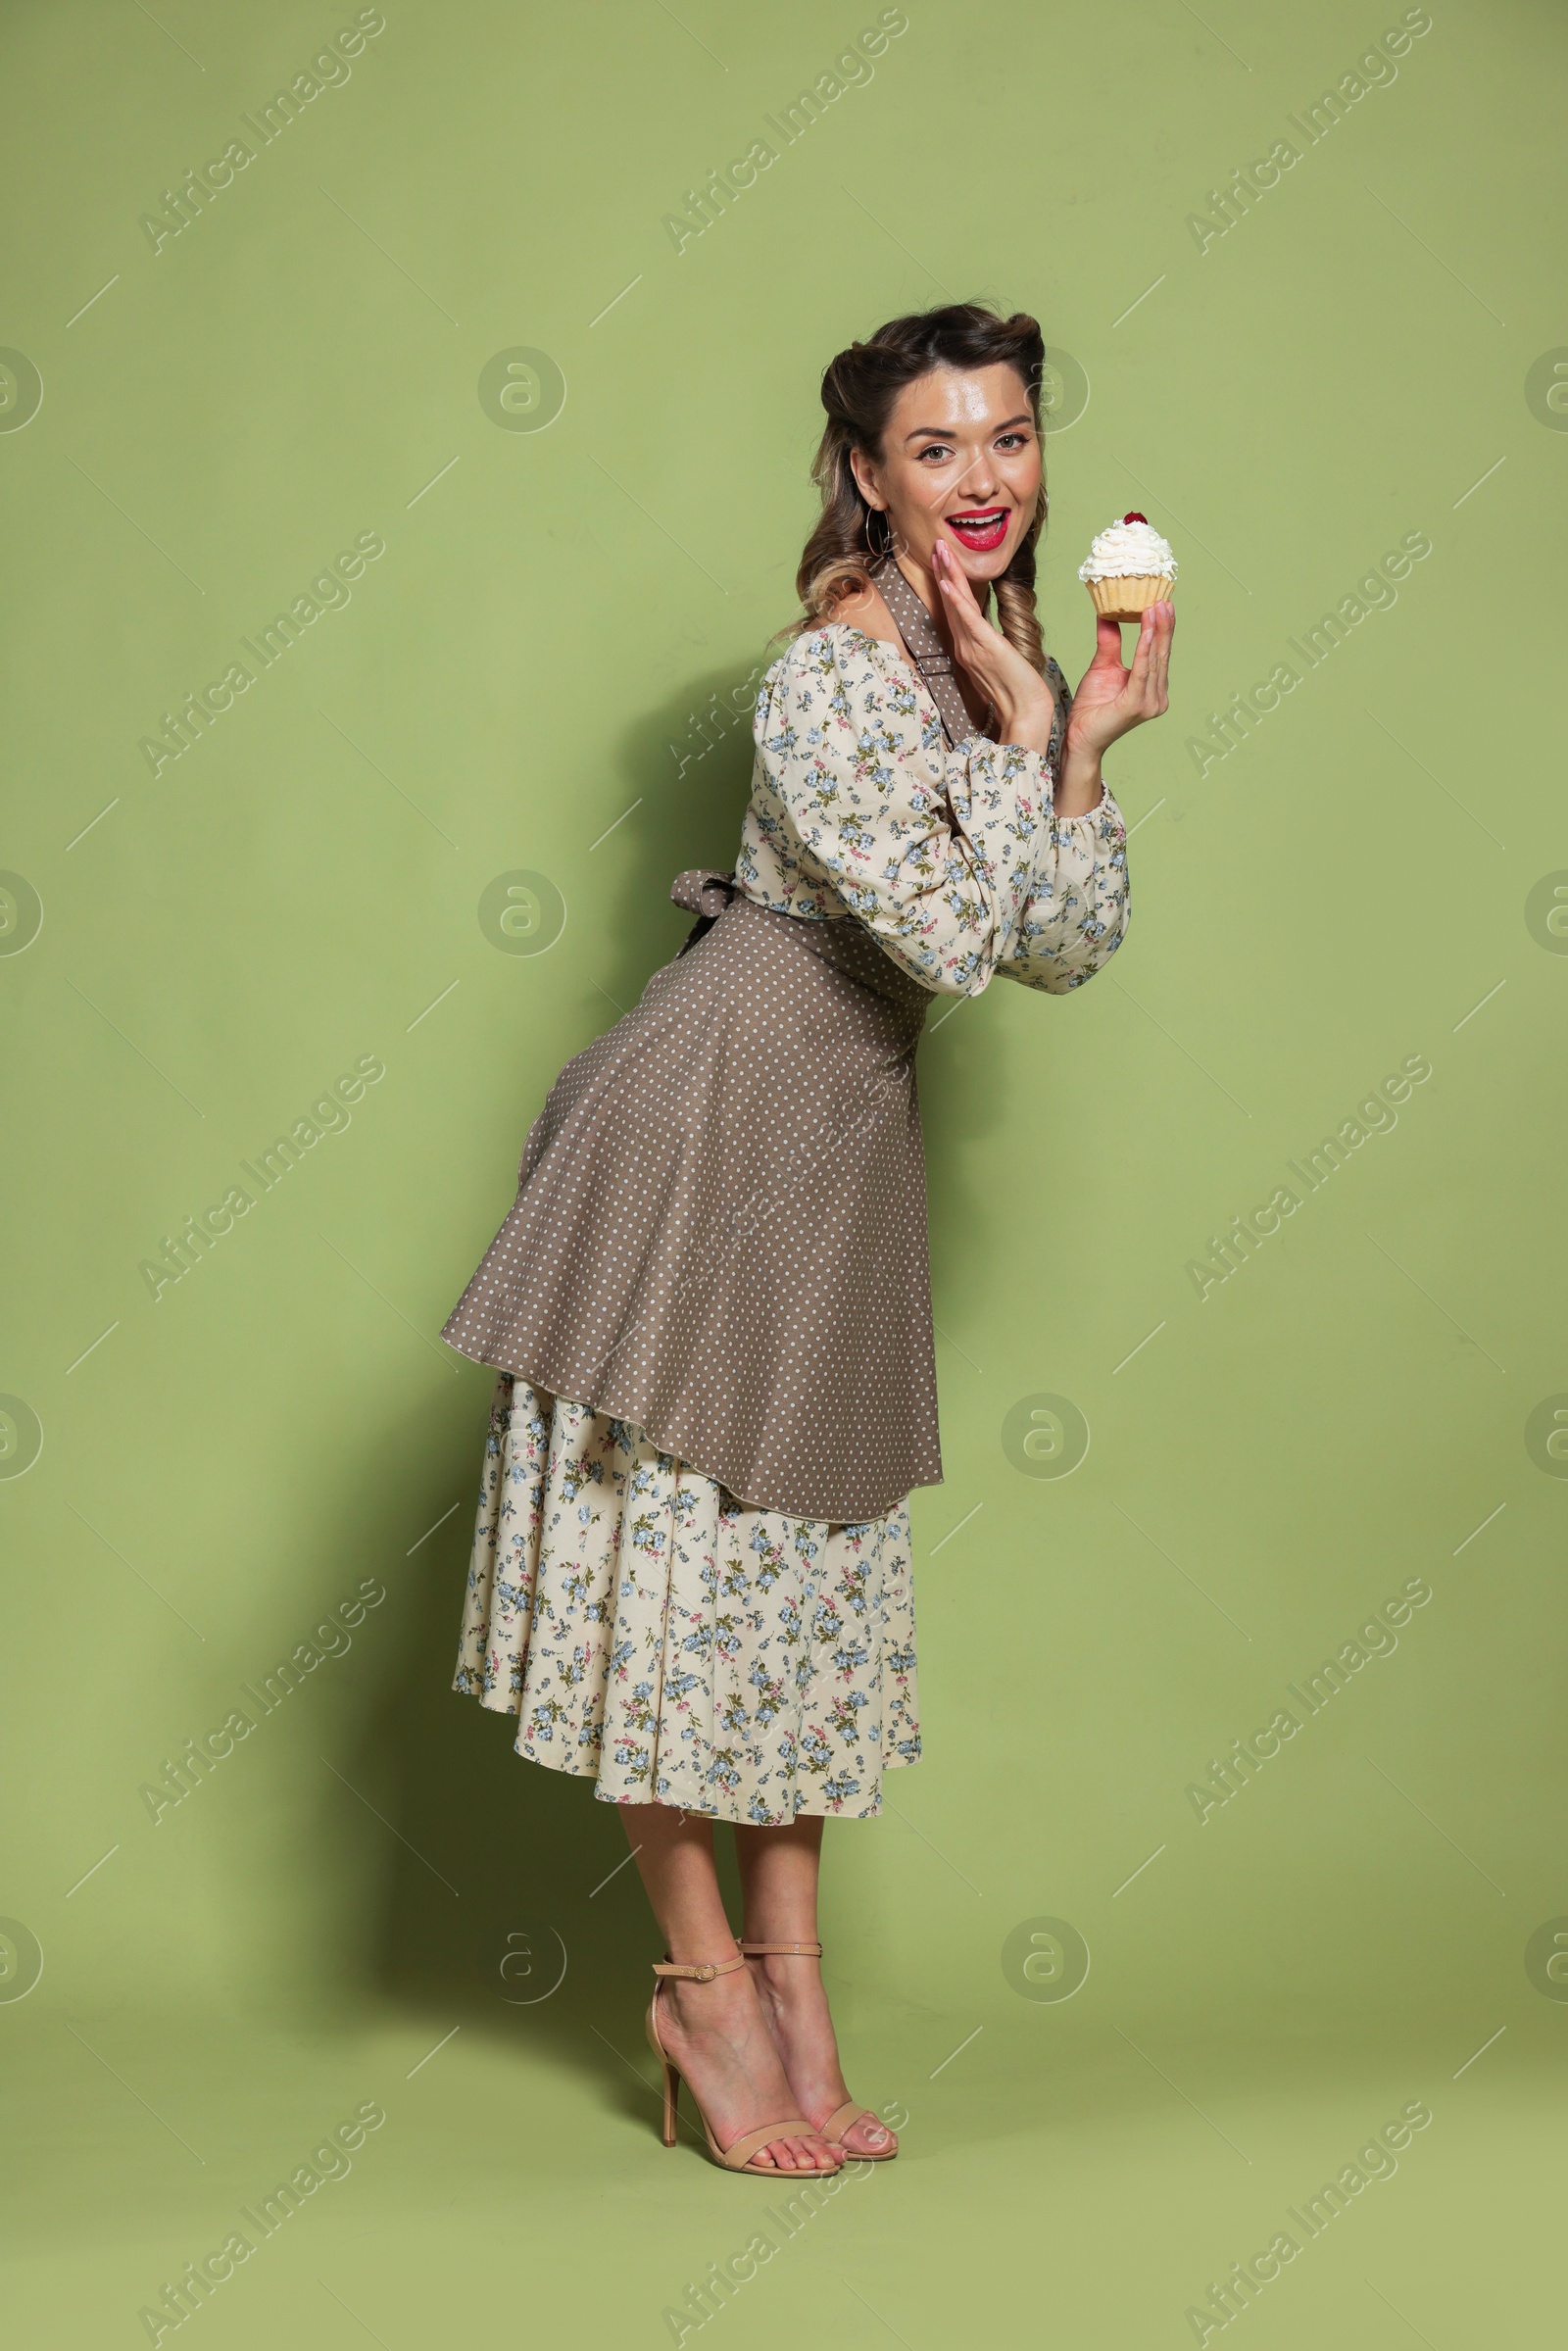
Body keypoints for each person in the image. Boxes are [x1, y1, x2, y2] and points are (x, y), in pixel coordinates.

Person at [439, 301, 1174, 2176]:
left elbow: (1061, 945)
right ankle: (704, 1996)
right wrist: (1023, 730)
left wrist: (1073, 731)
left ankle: (795, 1987)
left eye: (1007, 438)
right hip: (703, 1134)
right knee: (677, 1588)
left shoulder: (987, 655)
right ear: (863, 471)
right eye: (936, 448)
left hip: (838, 1160)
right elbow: (943, 940)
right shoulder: (839, 674)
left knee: (800, 1602)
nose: (985, 479)